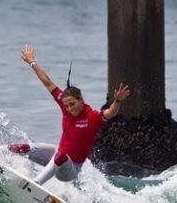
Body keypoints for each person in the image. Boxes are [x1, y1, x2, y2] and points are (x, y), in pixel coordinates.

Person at [8, 44, 131, 185]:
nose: (69, 108)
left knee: (60, 156)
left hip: (70, 169)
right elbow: (47, 82)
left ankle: (35, 184)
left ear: (81, 100)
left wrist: (117, 101)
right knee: (22, 148)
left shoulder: (93, 117)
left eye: (72, 104)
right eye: (66, 106)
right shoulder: (65, 106)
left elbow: (110, 113)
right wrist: (32, 62)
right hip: (57, 157)